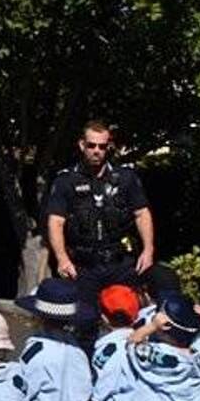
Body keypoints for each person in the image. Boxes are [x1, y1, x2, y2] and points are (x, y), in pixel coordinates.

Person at [44, 121, 155, 301]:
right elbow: (55, 221)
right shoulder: (65, 181)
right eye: (91, 145)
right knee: (85, 320)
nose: (97, 150)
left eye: (102, 146)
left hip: (120, 263)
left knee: (124, 317)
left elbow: (142, 213)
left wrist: (148, 249)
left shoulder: (126, 178)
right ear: (82, 145)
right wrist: (62, 258)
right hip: (83, 265)